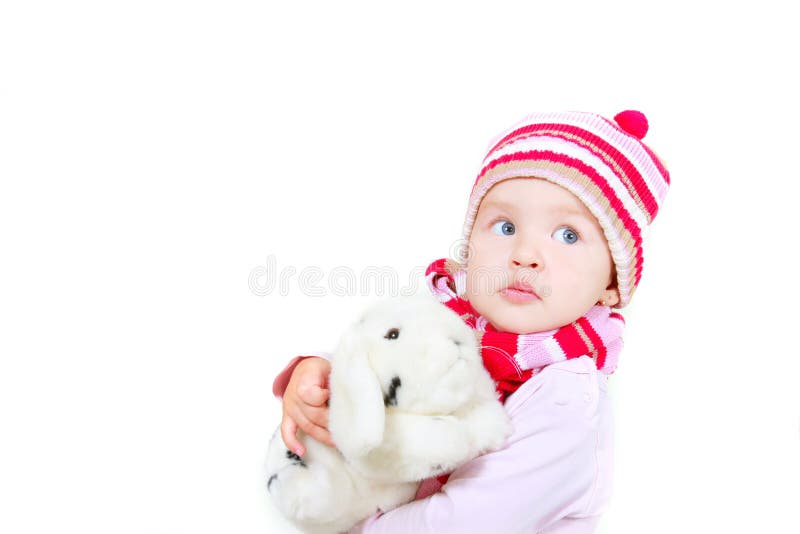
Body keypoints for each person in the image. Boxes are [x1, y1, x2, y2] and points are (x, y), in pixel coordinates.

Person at [272, 110, 670, 532]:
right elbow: (381, 360)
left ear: (612, 283)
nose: (524, 254)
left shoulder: (566, 400)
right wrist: (320, 375)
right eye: (505, 226)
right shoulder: (444, 318)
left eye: (568, 235)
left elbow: (467, 522)